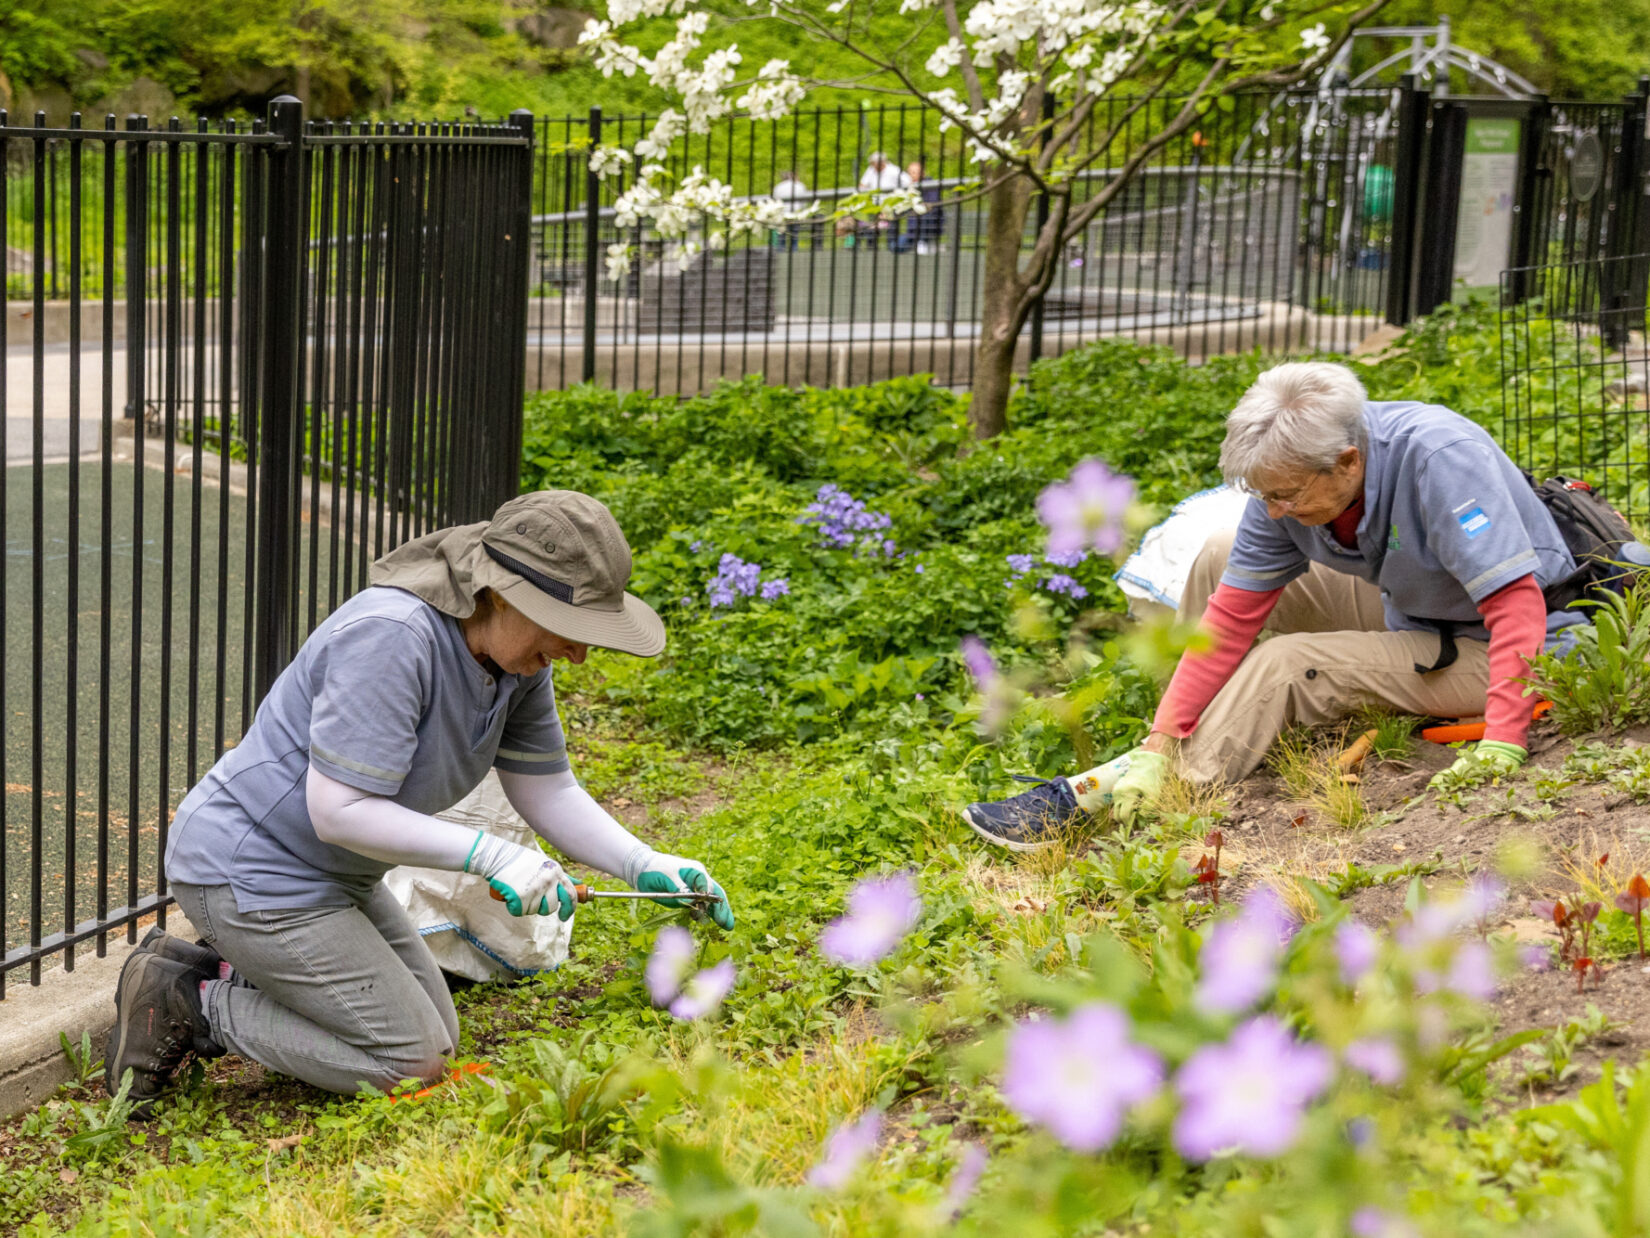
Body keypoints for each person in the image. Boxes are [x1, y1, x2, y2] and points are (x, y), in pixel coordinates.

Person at [105, 491, 734, 1113]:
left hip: (339, 874)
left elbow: (548, 788)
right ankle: (190, 1000)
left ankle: (237, 971)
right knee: (407, 1061)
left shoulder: (518, 665)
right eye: (569, 628)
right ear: (500, 593)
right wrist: (492, 857)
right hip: (249, 870)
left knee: (440, 1034)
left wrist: (642, 862)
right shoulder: (392, 637)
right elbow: (340, 810)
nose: (580, 652)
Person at [963, 362, 1577, 851]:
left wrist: (1503, 740)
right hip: (1412, 607)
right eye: (1263, 493)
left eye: (1285, 494)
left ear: (1348, 461)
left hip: (1511, 646)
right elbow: (1230, 618)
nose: (1274, 509)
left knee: (1290, 662)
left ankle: (1140, 790)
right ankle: (1160, 751)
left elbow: (1516, 605)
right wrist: (1160, 736)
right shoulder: (1285, 483)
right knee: (1217, 554)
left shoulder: (1439, 458)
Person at [770, 170, 809, 250]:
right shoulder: (800, 185)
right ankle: (794, 255)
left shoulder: (778, 187)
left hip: (782, 215)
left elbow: (774, 202)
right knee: (794, 238)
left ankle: (780, 256)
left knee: (781, 238)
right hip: (795, 214)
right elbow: (804, 202)